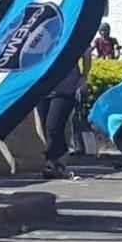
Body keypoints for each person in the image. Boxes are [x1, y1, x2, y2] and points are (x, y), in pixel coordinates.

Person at [37, 48, 92, 180]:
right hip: (44, 85)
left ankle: (55, 163)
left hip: (66, 86)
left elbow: (86, 54)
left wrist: (83, 78)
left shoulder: (72, 30)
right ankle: (55, 163)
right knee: (46, 126)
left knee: (53, 125)